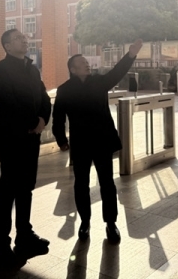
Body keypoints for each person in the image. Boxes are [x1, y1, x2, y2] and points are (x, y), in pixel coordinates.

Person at [52, 39, 143, 244]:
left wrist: (130, 55)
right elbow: (58, 117)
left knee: (107, 183)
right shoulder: (65, 89)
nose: (87, 64)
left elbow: (117, 72)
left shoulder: (99, 82)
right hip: (81, 143)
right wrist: (61, 139)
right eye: (82, 63)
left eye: (87, 62)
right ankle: (85, 222)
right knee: (81, 184)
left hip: (102, 140)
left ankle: (111, 223)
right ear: (73, 69)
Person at [0, 29, 52, 264]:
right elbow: (6, 103)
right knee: (8, 191)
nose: (25, 40)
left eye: (24, 38)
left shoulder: (31, 68)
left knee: (26, 188)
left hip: (31, 138)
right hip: (13, 138)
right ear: (7, 46)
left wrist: (42, 119)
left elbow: (44, 97)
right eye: (18, 38)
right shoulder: (1, 70)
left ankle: (24, 235)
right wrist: (31, 122)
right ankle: (1, 244)